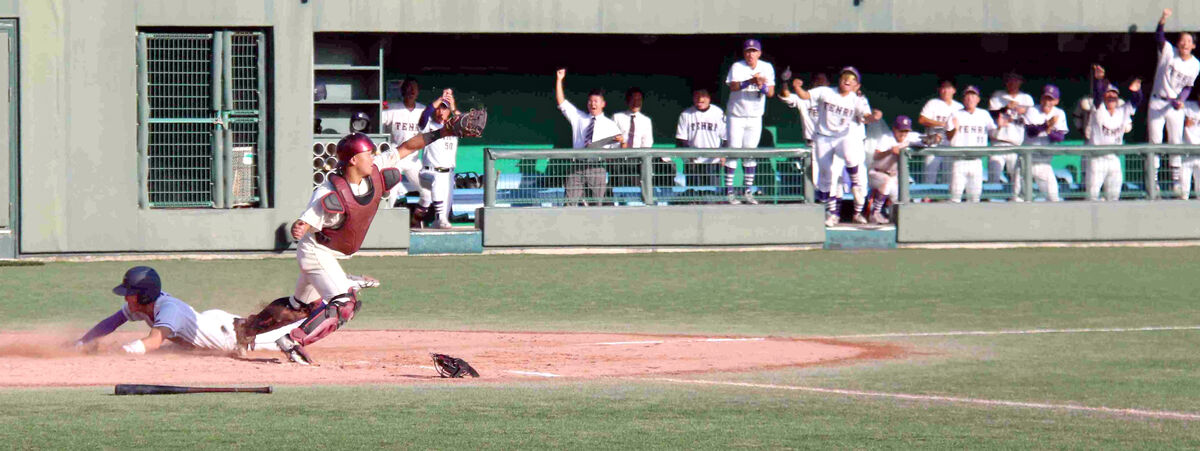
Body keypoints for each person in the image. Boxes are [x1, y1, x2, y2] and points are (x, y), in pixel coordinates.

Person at [235, 119, 475, 365]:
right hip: (317, 251)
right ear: (353, 160)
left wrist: (443, 131)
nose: (373, 157)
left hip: (331, 253)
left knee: (300, 307)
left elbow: (406, 148)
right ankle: (292, 341)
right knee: (344, 304)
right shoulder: (329, 191)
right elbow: (306, 221)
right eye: (367, 154)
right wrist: (300, 226)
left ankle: (246, 328)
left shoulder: (374, 170)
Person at [75, 266, 294, 356]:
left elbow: (153, 342)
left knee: (289, 336)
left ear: (143, 295)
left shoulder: (168, 310)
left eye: (129, 292)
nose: (125, 297)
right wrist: (81, 342)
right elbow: (110, 323)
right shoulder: (141, 306)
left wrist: (120, 352)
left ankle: (319, 305)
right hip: (209, 322)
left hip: (230, 335)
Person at [788, 66, 882, 226]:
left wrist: (874, 116)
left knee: (851, 156)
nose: (847, 80)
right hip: (823, 138)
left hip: (842, 137)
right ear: (839, 80)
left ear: (857, 86)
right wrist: (797, 87)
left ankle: (856, 187)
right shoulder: (826, 91)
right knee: (826, 178)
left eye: (852, 79)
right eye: (845, 77)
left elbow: (866, 117)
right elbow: (805, 95)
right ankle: (830, 213)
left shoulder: (857, 100)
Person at [554, 68, 624, 206]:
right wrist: (559, 79)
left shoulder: (611, 125)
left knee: (597, 204)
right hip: (577, 166)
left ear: (603, 104)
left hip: (597, 167)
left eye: (596, 101)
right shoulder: (579, 118)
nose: (593, 104)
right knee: (570, 202)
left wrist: (621, 143)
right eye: (590, 101)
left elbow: (617, 150)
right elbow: (562, 103)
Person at [1149, 8, 1199, 197]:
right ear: (1178, 42)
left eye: (1189, 41)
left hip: (1174, 106)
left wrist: (1181, 100)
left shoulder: (1195, 64)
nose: (1185, 43)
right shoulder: (1170, 51)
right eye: (1183, 40)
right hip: (1157, 101)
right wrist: (1162, 20)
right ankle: (1154, 183)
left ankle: (1176, 182)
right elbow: (1159, 37)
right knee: (1155, 142)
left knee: (1175, 142)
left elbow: (1188, 86)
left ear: (1193, 45)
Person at [724, 38, 776, 205]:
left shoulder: (766, 67)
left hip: (754, 117)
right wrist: (750, 81)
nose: (750, 54)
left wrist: (761, 85)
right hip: (736, 115)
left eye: (753, 51)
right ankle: (729, 192)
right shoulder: (738, 67)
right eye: (748, 51)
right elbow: (733, 86)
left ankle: (747, 191)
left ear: (759, 53)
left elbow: (770, 93)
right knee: (734, 152)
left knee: (750, 153)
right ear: (744, 53)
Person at [1085, 64, 1142, 201]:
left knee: (1114, 198)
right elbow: (1097, 96)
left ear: (1117, 98)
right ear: (1105, 97)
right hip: (1097, 159)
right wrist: (1098, 80)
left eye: (1114, 94)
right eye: (1109, 94)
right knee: (1091, 197)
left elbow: (1137, 101)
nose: (1111, 97)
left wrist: (1137, 91)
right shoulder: (1098, 109)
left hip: (1113, 159)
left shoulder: (1122, 110)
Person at [868, 116, 930, 224]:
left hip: (893, 176)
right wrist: (890, 151)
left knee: (900, 197)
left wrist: (933, 138)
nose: (903, 133)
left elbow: (926, 140)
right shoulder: (886, 138)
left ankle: (895, 218)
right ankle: (875, 213)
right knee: (886, 183)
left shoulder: (910, 137)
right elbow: (876, 156)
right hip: (877, 173)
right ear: (895, 129)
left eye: (906, 131)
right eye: (901, 130)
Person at [416, 89, 460, 229]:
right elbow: (425, 114)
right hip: (430, 172)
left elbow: (465, 122)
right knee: (438, 183)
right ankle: (440, 218)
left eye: (445, 109)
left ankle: (438, 221)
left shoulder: (453, 127)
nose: (441, 112)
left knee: (445, 213)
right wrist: (441, 99)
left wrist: (452, 106)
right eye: (440, 109)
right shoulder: (429, 125)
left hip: (449, 173)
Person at [946, 85, 997, 203]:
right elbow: (948, 137)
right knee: (955, 197)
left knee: (975, 198)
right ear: (963, 99)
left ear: (978, 99)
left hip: (976, 161)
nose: (970, 98)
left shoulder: (984, 114)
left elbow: (993, 133)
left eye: (973, 95)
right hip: (959, 160)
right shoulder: (955, 114)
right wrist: (955, 129)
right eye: (967, 95)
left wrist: (1000, 126)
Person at [380, 77, 425, 209]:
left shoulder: (423, 110)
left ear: (418, 92)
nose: (411, 91)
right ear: (402, 91)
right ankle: (388, 220)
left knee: (427, 190)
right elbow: (377, 126)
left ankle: (422, 218)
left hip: (413, 159)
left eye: (414, 89)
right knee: (391, 193)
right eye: (408, 88)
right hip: (395, 157)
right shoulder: (392, 109)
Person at [988, 72, 1034, 200]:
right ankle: (993, 201)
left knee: (1017, 177)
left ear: (1021, 82)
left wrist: (1025, 110)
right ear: (1006, 82)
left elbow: (1034, 118)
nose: (1013, 83)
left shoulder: (1026, 99)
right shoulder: (997, 97)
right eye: (1010, 80)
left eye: (1016, 80)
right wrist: (1006, 108)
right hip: (998, 142)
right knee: (994, 175)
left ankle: (1016, 201)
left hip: (1016, 144)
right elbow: (991, 115)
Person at [1021, 85, 1069, 202]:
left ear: (1056, 101)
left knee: (1053, 197)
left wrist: (1048, 131)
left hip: (1044, 163)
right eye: (1045, 98)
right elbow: (1031, 132)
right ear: (1041, 98)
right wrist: (1047, 125)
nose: (1047, 102)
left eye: (1051, 99)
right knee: (1020, 198)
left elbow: (1060, 138)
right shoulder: (1032, 110)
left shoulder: (1059, 113)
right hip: (1026, 161)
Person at [676, 87, 727, 193]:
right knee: (694, 194)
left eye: (703, 96)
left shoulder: (718, 113)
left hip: (713, 161)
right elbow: (681, 139)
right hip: (693, 162)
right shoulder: (686, 114)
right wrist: (689, 155)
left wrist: (723, 154)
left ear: (709, 98)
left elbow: (726, 138)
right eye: (697, 96)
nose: (700, 99)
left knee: (712, 194)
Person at [918, 79, 963, 184]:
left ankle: (943, 200)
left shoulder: (959, 107)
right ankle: (926, 198)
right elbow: (922, 119)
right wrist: (942, 124)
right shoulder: (933, 103)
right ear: (939, 89)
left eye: (948, 88)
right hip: (934, 145)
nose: (945, 91)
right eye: (943, 88)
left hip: (950, 146)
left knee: (948, 179)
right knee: (929, 177)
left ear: (954, 90)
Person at [613, 87, 655, 188]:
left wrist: (639, 155)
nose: (636, 102)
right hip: (620, 158)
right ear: (628, 100)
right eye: (633, 99)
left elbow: (647, 143)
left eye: (639, 100)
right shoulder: (617, 117)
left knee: (636, 187)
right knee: (619, 187)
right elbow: (611, 139)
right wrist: (621, 144)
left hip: (637, 160)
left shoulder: (646, 120)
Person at [1181, 94, 1200, 199]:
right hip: (1186, 154)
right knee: (1183, 192)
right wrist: (1184, 121)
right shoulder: (1189, 106)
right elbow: (1174, 108)